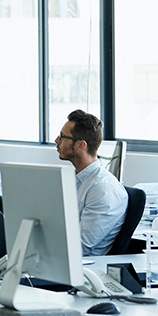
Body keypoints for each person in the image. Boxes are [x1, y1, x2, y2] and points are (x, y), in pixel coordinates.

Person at [55, 109, 128, 257]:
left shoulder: (103, 189)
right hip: (56, 259)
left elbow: (79, 247)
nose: (57, 140)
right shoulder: (76, 180)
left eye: (62, 137)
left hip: (83, 271)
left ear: (80, 145)